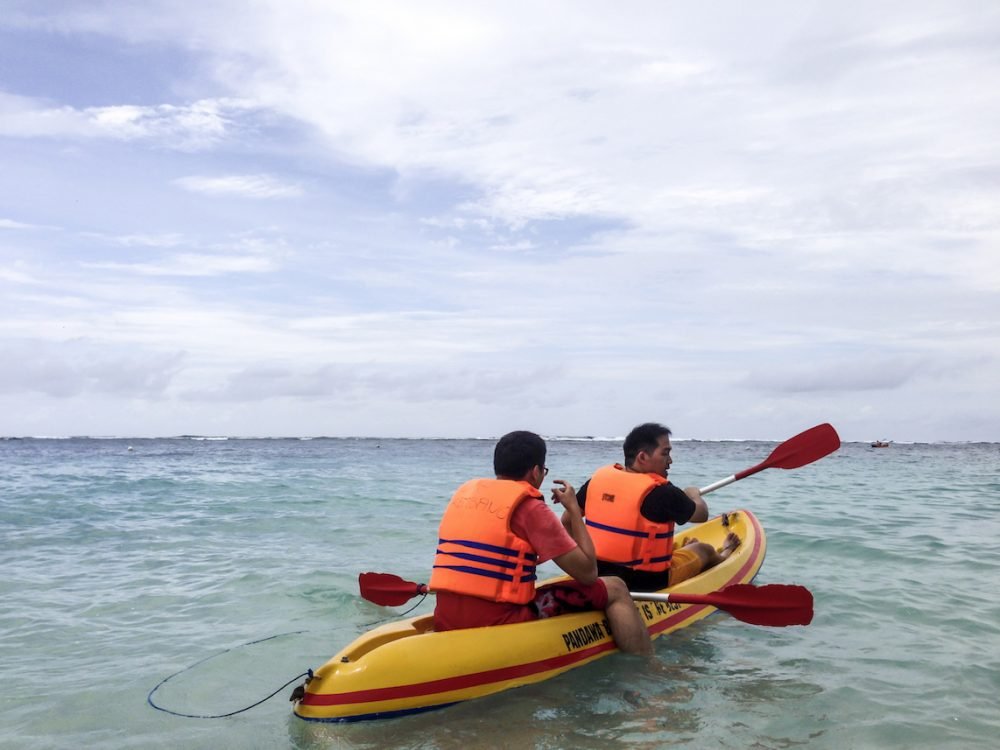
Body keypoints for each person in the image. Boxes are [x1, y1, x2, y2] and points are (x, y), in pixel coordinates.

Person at [429, 430, 651, 655]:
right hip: (501, 620)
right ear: (535, 472)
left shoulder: (464, 496)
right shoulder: (531, 508)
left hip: (445, 616)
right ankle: (646, 666)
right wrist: (574, 509)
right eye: (543, 471)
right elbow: (588, 573)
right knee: (616, 587)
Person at [571, 422, 740, 592]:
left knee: (672, 547)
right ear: (642, 457)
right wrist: (693, 494)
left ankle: (684, 550)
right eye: (665, 453)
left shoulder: (596, 482)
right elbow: (701, 514)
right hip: (646, 582)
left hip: (595, 573)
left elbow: (567, 520)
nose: (670, 460)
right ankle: (725, 553)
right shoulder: (663, 492)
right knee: (704, 549)